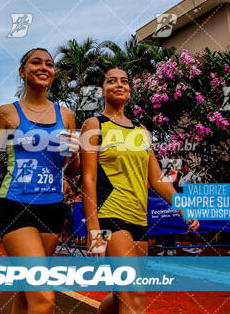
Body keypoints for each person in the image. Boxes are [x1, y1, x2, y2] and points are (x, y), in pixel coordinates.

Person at [0, 48, 80, 314]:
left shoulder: (66, 116)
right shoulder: (7, 113)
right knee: (43, 298)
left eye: (49, 64)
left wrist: (74, 154)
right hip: (17, 205)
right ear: (22, 71)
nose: (44, 67)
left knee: (25, 292)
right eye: (36, 62)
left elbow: (72, 169)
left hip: (53, 208)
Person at [81, 67, 199, 314]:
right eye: (111, 81)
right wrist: (93, 230)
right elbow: (88, 179)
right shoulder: (94, 125)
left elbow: (156, 177)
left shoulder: (141, 131)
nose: (119, 85)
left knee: (125, 294)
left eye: (124, 81)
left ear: (130, 90)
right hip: (110, 214)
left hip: (139, 217)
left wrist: (183, 207)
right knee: (132, 293)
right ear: (102, 90)